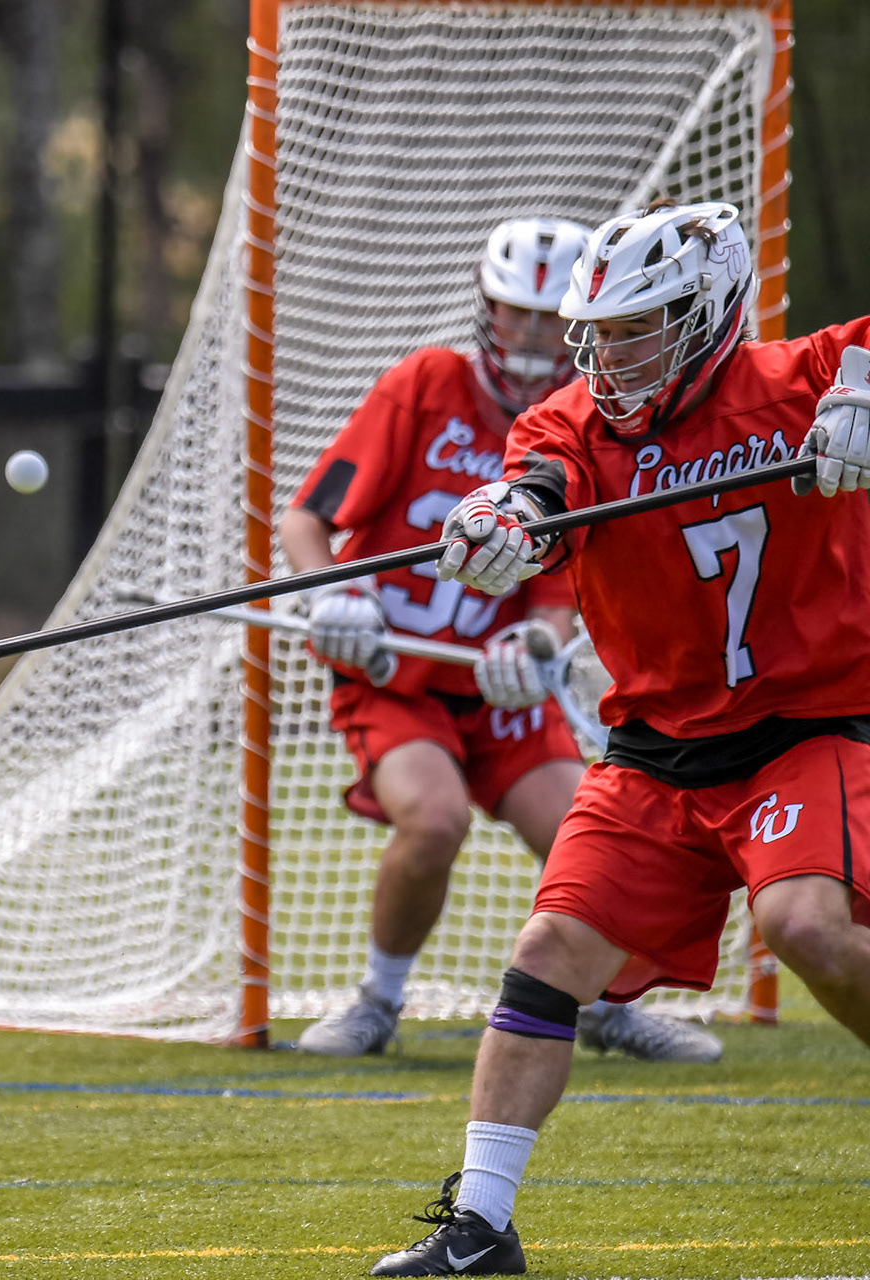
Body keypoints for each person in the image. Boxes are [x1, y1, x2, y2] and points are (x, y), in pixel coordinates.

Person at [370, 200, 870, 1276]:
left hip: (806, 726)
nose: (608, 354)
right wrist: (501, 522)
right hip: (654, 747)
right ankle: (481, 1229)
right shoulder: (568, 426)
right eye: (598, 332)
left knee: (805, 926)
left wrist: (865, 400)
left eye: (638, 328)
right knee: (547, 955)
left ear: (708, 316)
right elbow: (536, 485)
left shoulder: (803, 378)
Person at [284, 217, 722, 1064]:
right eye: (514, 311)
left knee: (591, 842)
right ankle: (378, 1001)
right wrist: (335, 597)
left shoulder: (586, 422)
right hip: (395, 673)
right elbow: (306, 521)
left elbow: (559, 593)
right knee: (434, 820)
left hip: (499, 689)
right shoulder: (426, 383)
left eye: (547, 317)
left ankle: (606, 1006)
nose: (529, 334)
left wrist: (538, 649)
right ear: (486, 309)